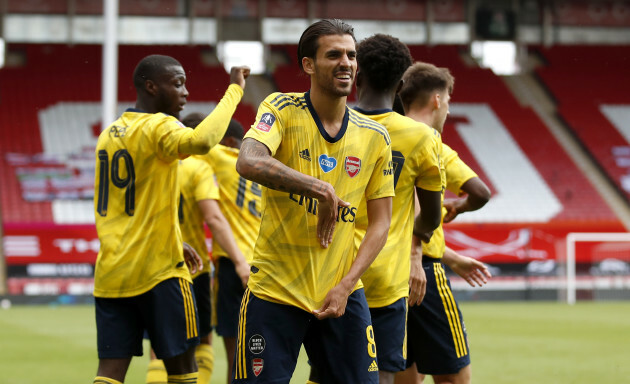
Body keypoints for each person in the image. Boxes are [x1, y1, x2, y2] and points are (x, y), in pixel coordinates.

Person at [234, 19, 395, 383]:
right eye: (334, 54)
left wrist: (346, 283)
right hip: (275, 292)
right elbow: (249, 160)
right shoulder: (282, 109)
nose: (347, 63)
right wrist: (319, 189)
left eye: (352, 56)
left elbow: (381, 223)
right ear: (308, 64)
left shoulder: (375, 137)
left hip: (341, 293)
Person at [92, 54, 249, 384]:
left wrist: (176, 238)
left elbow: (127, 208)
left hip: (112, 273)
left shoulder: (110, 134)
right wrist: (234, 89)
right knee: (182, 366)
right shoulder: (159, 126)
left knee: (109, 372)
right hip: (159, 272)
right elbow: (203, 141)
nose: (186, 92)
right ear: (151, 87)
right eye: (177, 84)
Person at [310, 33, 444, 384]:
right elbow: (432, 214)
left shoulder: (330, 124)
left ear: (357, 75)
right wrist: (419, 234)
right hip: (385, 279)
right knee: (381, 376)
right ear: (401, 84)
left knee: (325, 372)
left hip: (330, 272)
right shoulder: (421, 137)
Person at [395, 62, 491, 384]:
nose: (448, 110)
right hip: (424, 273)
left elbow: (396, 219)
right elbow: (479, 193)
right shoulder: (432, 143)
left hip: (381, 271)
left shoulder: (377, 137)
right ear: (437, 100)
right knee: (454, 377)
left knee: (401, 375)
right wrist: (459, 207)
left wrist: (452, 257)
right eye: (448, 101)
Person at [145, 113, 253, 384]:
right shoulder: (215, 167)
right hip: (210, 268)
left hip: (160, 264)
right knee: (221, 345)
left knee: (161, 345)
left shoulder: (156, 164)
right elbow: (213, 218)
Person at [183, 114, 260, 384]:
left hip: (234, 264)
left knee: (235, 356)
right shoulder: (265, 166)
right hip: (266, 264)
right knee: (261, 355)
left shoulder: (220, 156)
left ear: (226, 141)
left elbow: (197, 142)